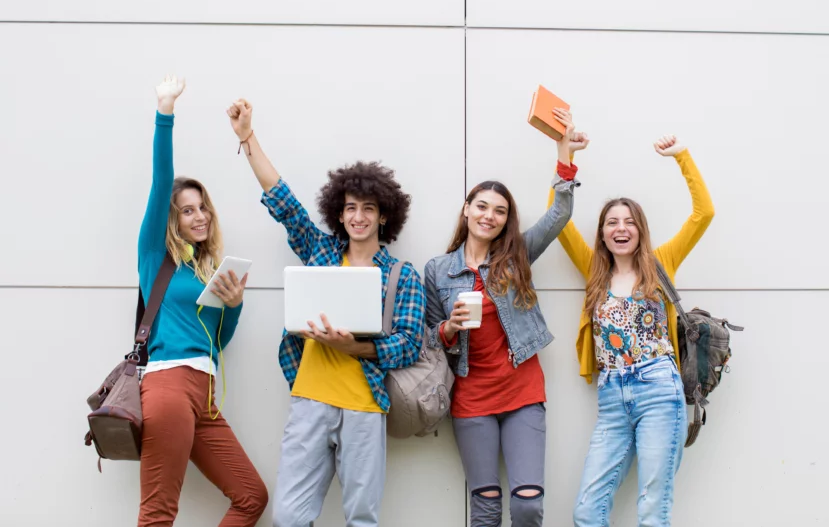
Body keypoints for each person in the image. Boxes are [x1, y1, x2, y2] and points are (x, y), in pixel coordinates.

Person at [226, 98, 426, 527]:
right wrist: (247, 138)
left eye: (368, 208)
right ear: (340, 212)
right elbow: (283, 201)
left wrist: (354, 347)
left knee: (362, 519)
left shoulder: (401, 276)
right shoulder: (320, 251)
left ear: (383, 216)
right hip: (310, 401)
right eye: (351, 207)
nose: (359, 216)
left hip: (365, 406)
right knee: (288, 518)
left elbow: (409, 345)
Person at [424, 108, 586, 526]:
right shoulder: (438, 270)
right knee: (485, 506)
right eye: (481, 206)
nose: (488, 216)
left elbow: (558, 217)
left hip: (522, 392)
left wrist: (563, 158)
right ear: (466, 209)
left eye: (498, 211)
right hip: (470, 397)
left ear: (504, 221)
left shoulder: (516, 257)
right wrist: (449, 328)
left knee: (528, 504)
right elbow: (425, 336)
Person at [554, 135, 715, 526]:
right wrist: (564, 159)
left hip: (659, 389)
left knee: (652, 507)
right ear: (603, 233)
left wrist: (682, 158)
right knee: (587, 511)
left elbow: (703, 214)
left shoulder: (662, 263)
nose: (620, 228)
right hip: (611, 397)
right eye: (612, 222)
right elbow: (558, 222)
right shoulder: (594, 269)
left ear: (640, 230)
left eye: (629, 222)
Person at [137, 76, 267, 527]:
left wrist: (233, 306)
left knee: (251, 496)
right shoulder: (156, 257)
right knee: (158, 513)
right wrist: (165, 112)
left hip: (204, 394)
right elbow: (161, 182)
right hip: (169, 387)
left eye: (203, 207)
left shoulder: (207, 272)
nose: (200, 215)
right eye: (187, 210)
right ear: (172, 220)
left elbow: (217, 343)